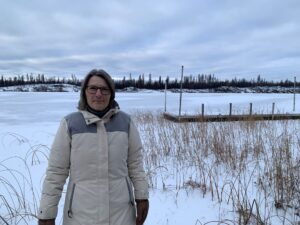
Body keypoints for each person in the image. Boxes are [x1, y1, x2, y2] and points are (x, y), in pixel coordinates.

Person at [38, 69, 149, 225]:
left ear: (111, 93)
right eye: (93, 88)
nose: (98, 94)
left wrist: (142, 196)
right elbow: (56, 172)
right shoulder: (70, 124)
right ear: (84, 92)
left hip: (121, 215)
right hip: (80, 216)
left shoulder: (126, 123)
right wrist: (47, 213)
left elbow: (135, 164)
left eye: (104, 89)